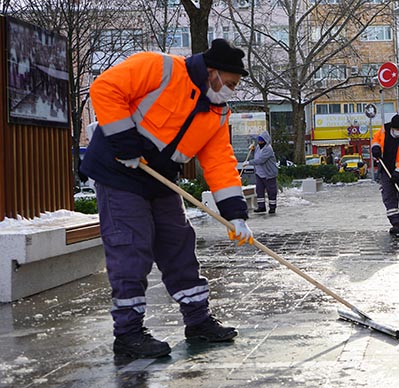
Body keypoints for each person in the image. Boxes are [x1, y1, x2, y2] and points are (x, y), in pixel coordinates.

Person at [80, 39, 254, 359]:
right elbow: (105, 88)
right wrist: (124, 143)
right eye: (229, 84)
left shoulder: (216, 113)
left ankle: (198, 320)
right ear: (212, 72)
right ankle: (129, 334)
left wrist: (235, 213)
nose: (231, 91)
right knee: (131, 248)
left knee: (178, 245)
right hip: (118, 171)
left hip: (160, 179)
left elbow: (219, 162)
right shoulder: (159, 68)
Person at [371, 114, 399, 234]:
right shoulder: (384, 130)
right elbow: (376, 139)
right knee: (388, 195)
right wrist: (375, 148)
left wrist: (398, 173)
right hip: (386, 168)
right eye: (398, 129)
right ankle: (396, 223)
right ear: (392, 127)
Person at [244, 130, 278, 214]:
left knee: (271, 191)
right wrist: (252, 150)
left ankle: (272, 207)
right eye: (259, 140)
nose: (260, 142)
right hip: (259, 174)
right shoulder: (258, 148)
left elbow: (261, 160)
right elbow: (255, 157)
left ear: (265, 140)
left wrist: (249, 163)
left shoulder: (268, 149)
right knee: (259, 190)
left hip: (269, 174)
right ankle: (261, 206)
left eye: (262, 140)